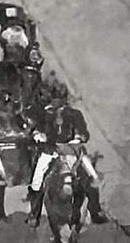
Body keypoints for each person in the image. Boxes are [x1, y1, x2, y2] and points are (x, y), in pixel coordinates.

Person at [27, 82, 106, 225]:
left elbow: (84, 133)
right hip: (51, 150)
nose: (56, 102)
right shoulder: (46, 114)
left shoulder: (75, 114)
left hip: (72, 151)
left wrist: (78, 137)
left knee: (92, 176)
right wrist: (38, 135)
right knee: (36, 181)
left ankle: (95, 210)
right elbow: (38, 129)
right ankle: (34, 214)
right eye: (54, 98)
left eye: (60, 99)